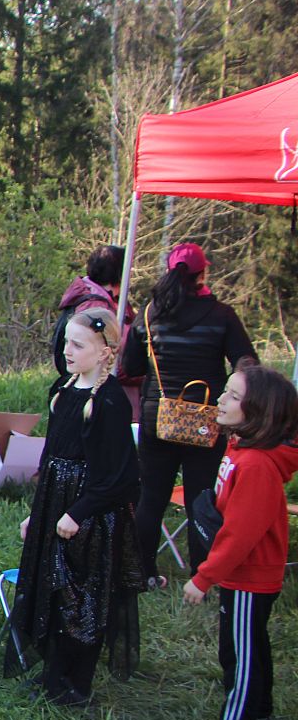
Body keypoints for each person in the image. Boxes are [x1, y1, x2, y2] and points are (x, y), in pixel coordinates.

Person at [7, 309, 146, 707]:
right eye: (66, 341)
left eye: (77, 345)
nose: (66, 350)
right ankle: (53, 672)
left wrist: (78, 513)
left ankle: (75, 683)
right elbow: (51, 458)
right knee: (52, 587)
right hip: (57, 501)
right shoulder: (63, 391)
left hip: (89, 512)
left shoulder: (110, 401)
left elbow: (118, 476)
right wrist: (39, 513)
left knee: (80, 594)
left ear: (105, 352)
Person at [120, 242, 257, 589]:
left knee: (151, 496)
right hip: (206, 419)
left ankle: (142, 573)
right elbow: (247, 362)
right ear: (202, 274)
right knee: (202, 498)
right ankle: (202, 574)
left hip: (158, 417)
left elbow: (130, 367)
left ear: (169, 271)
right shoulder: (222, 315)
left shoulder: (150, 315)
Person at [180, 364, 298, 720]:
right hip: (242, 575)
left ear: (259, 412)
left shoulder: (256, 465)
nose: (221, 399)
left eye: (233, 395)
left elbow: (240, 534)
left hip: (249, 576)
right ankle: (259, 716)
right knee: (250, 645)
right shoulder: (240, 448)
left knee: (240, 653)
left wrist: (204, 576)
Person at [51, 243, 127, 378]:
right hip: (92, 382)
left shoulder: (88, 294)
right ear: (120, 274)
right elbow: (97, 354)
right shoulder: (95, 307)